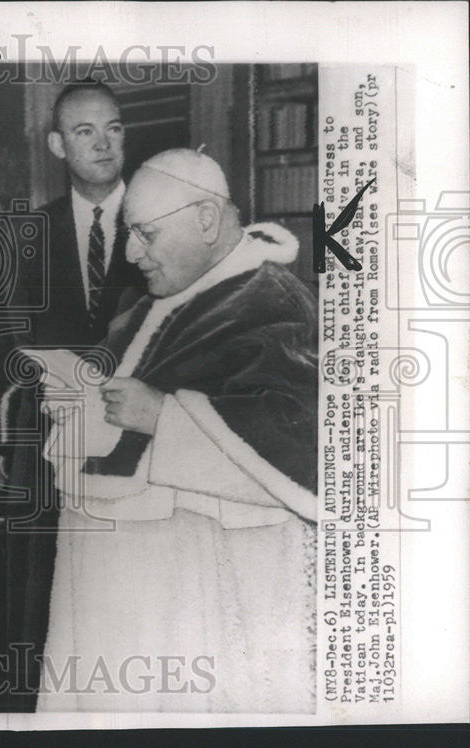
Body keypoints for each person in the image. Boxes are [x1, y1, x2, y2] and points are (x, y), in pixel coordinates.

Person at [36, 148, 318, 712]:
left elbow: (306, 448)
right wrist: (78, 403)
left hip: (198, 601)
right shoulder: (146, 307)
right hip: (121, 596)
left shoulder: (270, 302)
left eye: (144, 234)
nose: (131, 253)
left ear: (207, 221)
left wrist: (164, 418)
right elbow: (124, 413)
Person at [0, 79, 145, 711]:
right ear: (57, 144)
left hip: (135, 450)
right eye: (86, 131)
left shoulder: (162, 224)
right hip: (47, 450)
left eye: (113, 128)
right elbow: (1, 346)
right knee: (39, 600)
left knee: (128, 604)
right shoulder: (27, 236)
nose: (104, 144)